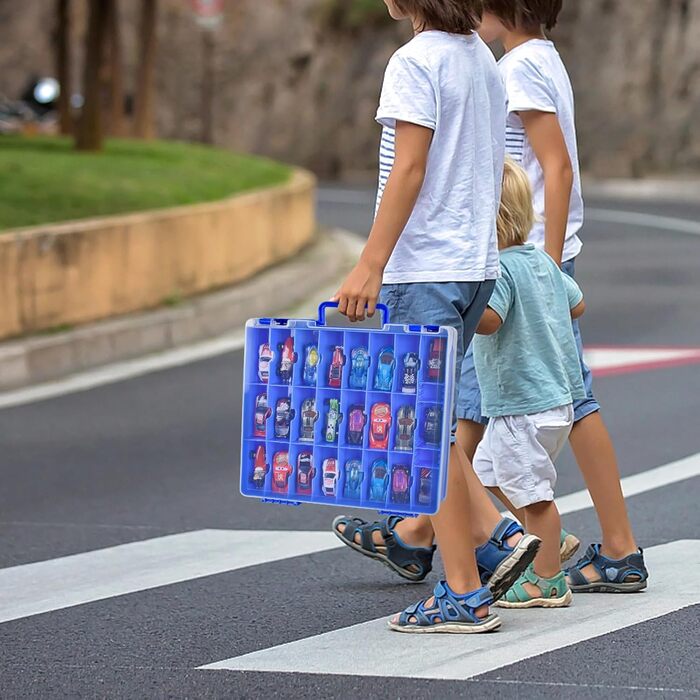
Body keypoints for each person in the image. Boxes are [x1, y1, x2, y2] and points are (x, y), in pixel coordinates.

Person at [331, 0, 541, 633]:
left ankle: (464, 593)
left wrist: (370, 263)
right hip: (475, 266)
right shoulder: (482, 59)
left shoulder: (413, 61)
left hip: (423, 268)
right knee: (438, 431)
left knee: (426, 435)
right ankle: (495, 538)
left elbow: (410, 168)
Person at [472, 0, 648, 593]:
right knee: (564, 395)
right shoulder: (541, 57)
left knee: (562, 397)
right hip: (535, 253)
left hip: (527, 254)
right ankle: (511, 534)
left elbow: (557, 166)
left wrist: (543, 263)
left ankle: (549, 543)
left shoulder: (518, 68)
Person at [472, 157, 585, 607]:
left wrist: (463, 305)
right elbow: (577, 304)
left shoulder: (498, 270)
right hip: (552, 401)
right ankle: (542, 541)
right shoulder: (539, 260)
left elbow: (490, 321)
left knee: (535, 496)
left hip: (521, 406)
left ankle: (547, 579)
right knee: (486, 472)